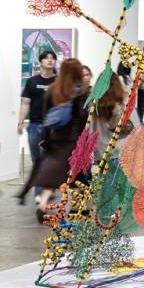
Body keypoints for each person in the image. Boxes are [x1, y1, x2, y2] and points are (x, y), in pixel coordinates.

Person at [17, 58, 90, 223]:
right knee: (77, 175)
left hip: (55, 139)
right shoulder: (80, 91)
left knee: (51, 176)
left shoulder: (52, 90)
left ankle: (42, 205)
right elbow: (84, 117)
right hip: (75, 141)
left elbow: (46, 116)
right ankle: (78, 208)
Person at [18, 50, 57, 202]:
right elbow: (25, 103)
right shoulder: (32, 81)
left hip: (53, 127)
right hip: (34, 126)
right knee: (37, 160)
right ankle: (45, 189)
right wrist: (20, 122)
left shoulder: (60, 81)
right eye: (46, 58)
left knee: (48, 160)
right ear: (40, 62)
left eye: (52, 58)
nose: (50, 60)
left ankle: (40, 193)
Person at [91, 73, 140, 161]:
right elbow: (137, 129)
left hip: (102, 153)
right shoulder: (126, 104)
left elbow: (91, 131)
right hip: (123, 151)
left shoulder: (93, 106)